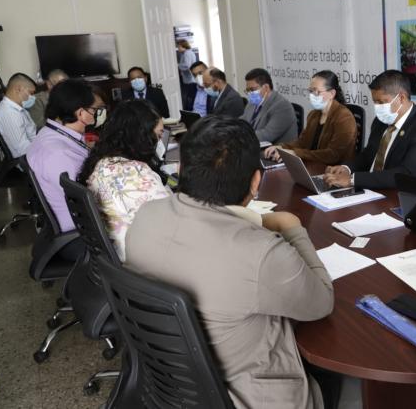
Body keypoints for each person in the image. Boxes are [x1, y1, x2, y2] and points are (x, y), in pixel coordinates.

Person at [125, 116, 334, 408]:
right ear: (255, 182)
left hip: (169, 381)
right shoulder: (260, 252)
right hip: (245, 395)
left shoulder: (146, 215)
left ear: (183, 168)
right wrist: (293, 228)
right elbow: (322, 302)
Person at [78, 100, 169, 262]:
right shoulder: (137, 173)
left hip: (115, 257)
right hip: (144, 260)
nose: (160, 141)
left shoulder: (103, 162)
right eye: (159, 134)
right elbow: (170, 225)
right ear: (143, 135)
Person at [323, 70, 416, 190]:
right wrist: (346, 168)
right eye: (375, 102)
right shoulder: (381, 121)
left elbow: (406, 175)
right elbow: (368, 154)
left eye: (381, 102)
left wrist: (353, 179)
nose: (377, 107)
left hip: (396, 197)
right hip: (369, 190)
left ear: (401, 98)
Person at [26, 79, 98, 261]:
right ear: (81, 113)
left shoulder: (49, 133)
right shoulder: (59, 153)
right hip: (80, 233)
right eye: (94, 110)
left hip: (74, 223)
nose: (96, 115)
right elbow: (89, 202)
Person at [264, 71, 357, 165]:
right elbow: (302, 143)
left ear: (332, 93)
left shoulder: (344, 117)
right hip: (312, 165)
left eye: (317, 91)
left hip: (334, 171)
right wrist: (282, 147)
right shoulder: (313, 115)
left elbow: (333, 155)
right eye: (311, 91)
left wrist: (296, 153)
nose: (312, 95)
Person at [241, 68, 298, 144]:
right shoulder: (253, 102)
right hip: (253, 146)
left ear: (266, 88)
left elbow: (267, 135)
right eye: (248, 90)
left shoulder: (282, 106)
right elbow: (242, 121)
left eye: (252, 89)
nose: (249, 93)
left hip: (273, 151)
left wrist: (240, 136)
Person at [0, 73, 37, 158]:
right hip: (28, 160)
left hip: (34, 152)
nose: (33, 97)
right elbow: (23, 150)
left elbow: (32, 135)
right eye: (31, 93)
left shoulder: (18, 110)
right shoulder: (9, 113)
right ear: (18, 89)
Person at [177, 39, 198, 111]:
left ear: (183, 46)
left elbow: (187, 65)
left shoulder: (187, 54)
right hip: (190, 79)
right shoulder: (188, 53)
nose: (178, 48)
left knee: (189, 99)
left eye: (179, 46)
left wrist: (177, 65)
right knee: (190, 98)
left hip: (190, 80)